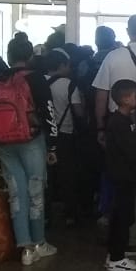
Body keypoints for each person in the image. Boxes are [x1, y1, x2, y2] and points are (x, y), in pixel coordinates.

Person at [0, 38, 59, 267]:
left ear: (9, 56)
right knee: (35, 191)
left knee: (16, 194)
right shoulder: (35, 78)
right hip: (31, 139)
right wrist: (52, 145)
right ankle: (39, 242)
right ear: (30, 55)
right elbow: (48, 112)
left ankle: (25, 247)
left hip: (3, 143)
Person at [103, 80, 136, 271]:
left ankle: (115, 253)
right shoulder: (119, 123)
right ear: (126, 99)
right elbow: (130, 151)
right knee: (122, 216)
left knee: (121, 215)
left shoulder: (121, 120)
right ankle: (117, 257)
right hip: (124, 176)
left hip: (122, 175)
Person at [46, 48, 87, 225]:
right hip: (65, 134)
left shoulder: (39, 82)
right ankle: (70, 214)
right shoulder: (70, 85)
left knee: (46, 176)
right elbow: (79, 112)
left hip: (45, 136)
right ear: (62, 65)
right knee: (67, 175)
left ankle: (45, 214)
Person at [93, 14, 136, 130]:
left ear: (127, 31)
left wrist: (100, 127)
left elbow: (101, 96)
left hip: (118, 121)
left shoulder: (113, 56)